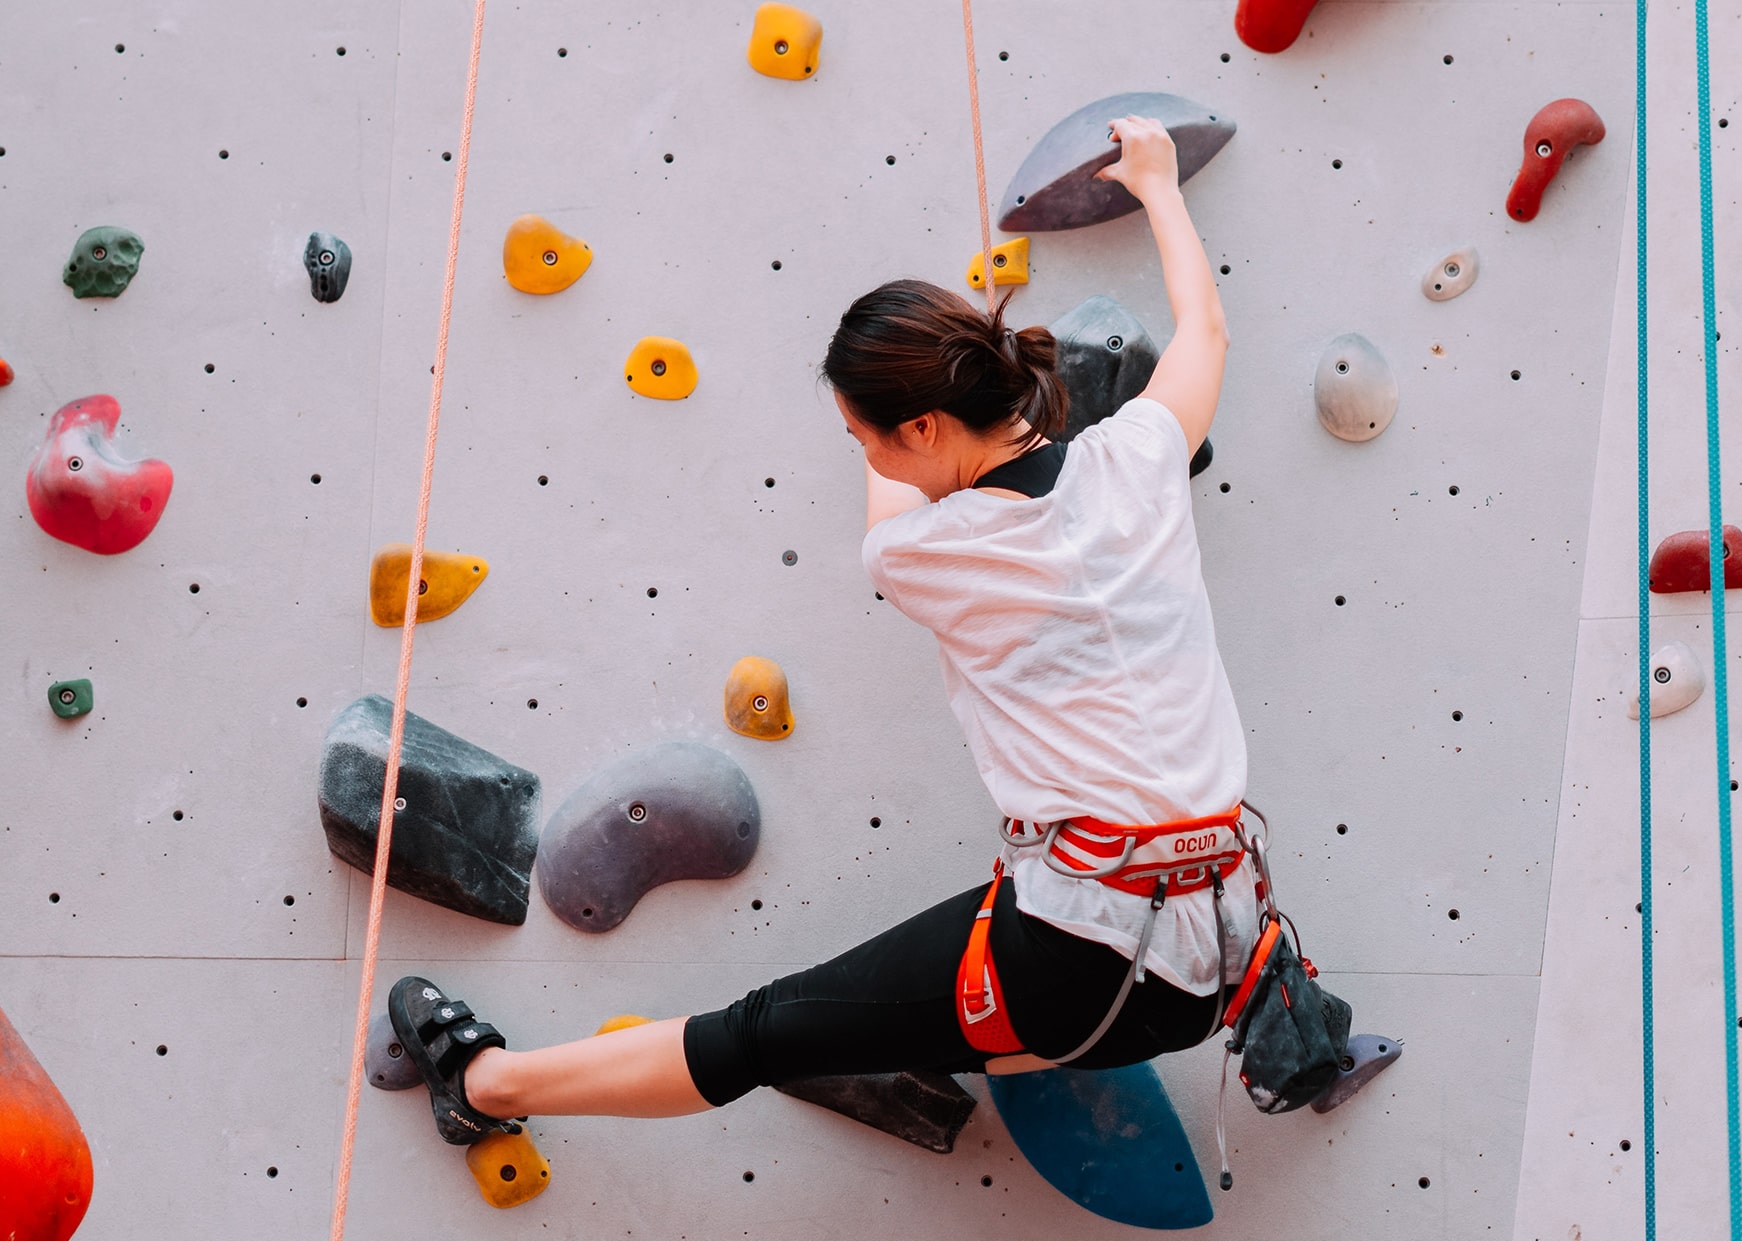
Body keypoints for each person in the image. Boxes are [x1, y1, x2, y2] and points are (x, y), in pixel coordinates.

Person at [387, 114, 1261, 1143]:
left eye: (863, 433)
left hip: (1084, 966)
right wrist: (1158, 182)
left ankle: (483, 1087)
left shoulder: (924, 554)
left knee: (760, 1031)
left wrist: (898, 405)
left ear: (924, 427)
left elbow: (897, 501)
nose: (865, 453)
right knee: (937, 1000)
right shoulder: (1143, 461)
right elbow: (1205, 332)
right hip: (1226, 939)